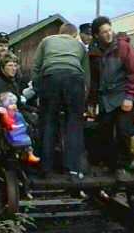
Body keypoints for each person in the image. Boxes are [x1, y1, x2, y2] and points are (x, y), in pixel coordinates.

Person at [31, 23, 90, 180]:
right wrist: (82, 98)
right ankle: (73, 171)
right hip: (74, 80)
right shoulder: (79, 46)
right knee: (74, 125)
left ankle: (45, 168)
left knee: (48, 122)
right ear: (74, 34)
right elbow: (86, 75)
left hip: (50, 78)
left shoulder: (46, 41)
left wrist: (38, 88)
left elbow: (36, 67)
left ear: (60, 32)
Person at [88, 16, 134, 181]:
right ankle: (110, 164)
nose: (108, 34)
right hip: (106, 98)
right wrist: (92, 101)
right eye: (104, 32)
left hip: (123, 95)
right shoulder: (94, 51)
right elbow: (94, 79)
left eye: (109, 30)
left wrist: (129, 97)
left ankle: (123, 167)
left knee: (123, 131)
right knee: (104, 130)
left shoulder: (124, 48)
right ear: (97, 35)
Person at [0, 52, 34, 158]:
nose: (13, 68)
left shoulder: (13, 84)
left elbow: (20, 105)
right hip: (2, 120)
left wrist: (35, 110)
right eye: (10, 65)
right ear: (2, 67)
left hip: (15, 115)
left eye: (15, 65)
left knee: (36, 119)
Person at [0, 91, 40, 164]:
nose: (14, 105)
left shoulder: (15, 114)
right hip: (14, 133)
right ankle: (30, 154)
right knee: (28, 138)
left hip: (18, 131)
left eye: (14, 103)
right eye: (11, 104)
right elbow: (10, 124)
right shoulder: (7, 116)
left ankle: (24, 154)